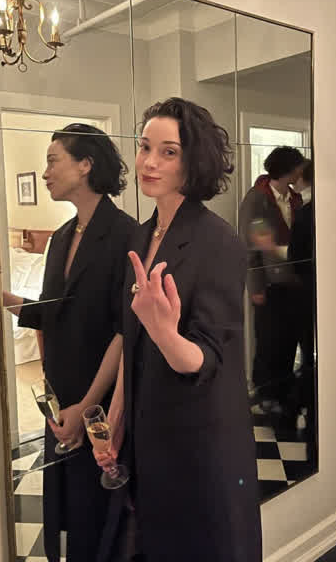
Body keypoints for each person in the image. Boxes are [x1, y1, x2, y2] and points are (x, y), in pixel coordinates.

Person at [95, 98, 262, 562]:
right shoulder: (141, 236)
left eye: (168, 152)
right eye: (145, 147)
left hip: (199, 439)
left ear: (194, 161)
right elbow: (132, 343)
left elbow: (205, 361)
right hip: (149, 435)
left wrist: (164, 331)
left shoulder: (219, 241)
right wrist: (116, 419)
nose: (149, 162)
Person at [3, 124, 138, 562]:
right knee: (70, 514)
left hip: (100, 403)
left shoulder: (126, 235)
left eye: (52, 160)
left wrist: (87, 406)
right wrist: (3, 298)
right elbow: (52, 313)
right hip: (62, 401)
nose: (45, 172)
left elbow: (124, 331)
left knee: (101, 514)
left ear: (85, 165)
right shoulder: (61, 237)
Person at [238, 146, 305, 415]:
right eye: (297, 167)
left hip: (295, 282)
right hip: (269, 282)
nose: (301, 172)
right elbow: (250, 247)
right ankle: (265, 395)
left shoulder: (295, 199)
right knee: (269, 341)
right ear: (288, 169)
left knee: (289, 340)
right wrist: (255, 286)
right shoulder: (257, 199)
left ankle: (283, 393)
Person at [289, 159, 315, 427]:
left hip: (306, 289)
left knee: (308, 348)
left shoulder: (306, 212)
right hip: (312, 288)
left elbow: (294, 256)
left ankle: (306, 401)